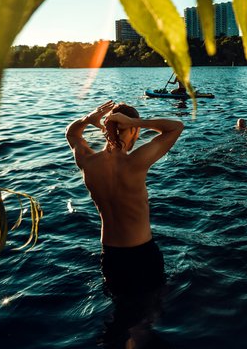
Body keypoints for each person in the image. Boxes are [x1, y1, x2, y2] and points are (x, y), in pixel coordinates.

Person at [65, 101, 184, 298]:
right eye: (136, 131)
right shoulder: (135, 162)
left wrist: (88, 118)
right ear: (133, 130)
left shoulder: (87, 162)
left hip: (111, 256)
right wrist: (135, 121)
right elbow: (176, 127)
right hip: (142, 254)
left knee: (120, 312)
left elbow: (71, 133)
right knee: (149, 313)